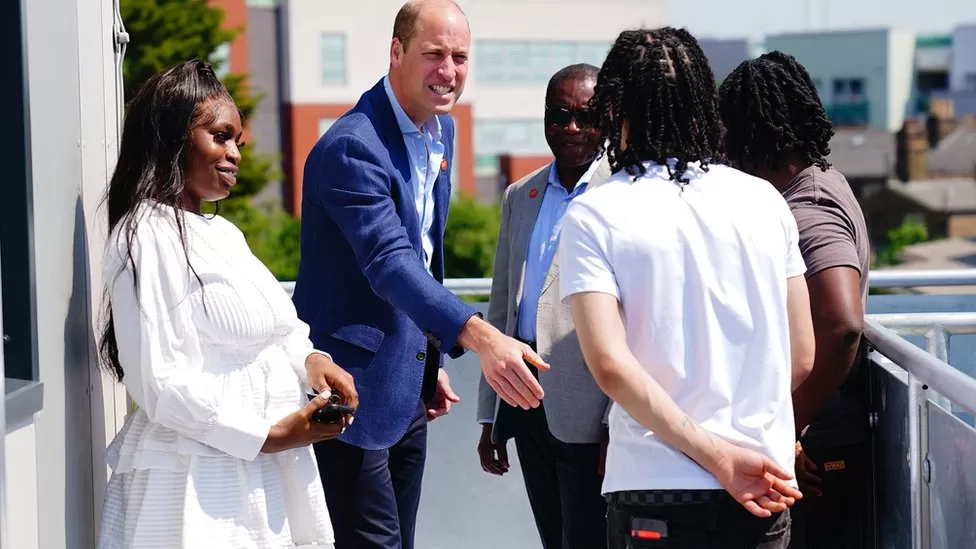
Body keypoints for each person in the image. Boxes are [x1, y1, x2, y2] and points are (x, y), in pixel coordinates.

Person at [291, 1, 549, 547]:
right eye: (434, 54)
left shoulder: (441, 133)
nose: (448, 71)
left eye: (459, 57)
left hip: (407, 385)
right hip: (348, 390)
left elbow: (425, 253)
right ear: (396, 51)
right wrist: (479, 337)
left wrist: (426, 355)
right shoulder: (351, 148)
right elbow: (389, 262)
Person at [558, 27, 816, 548]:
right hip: (763, 482)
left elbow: (608, 364)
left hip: (655, 483)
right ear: (704, 103)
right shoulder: (765, 201)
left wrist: (715, 455)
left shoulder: (593, 213)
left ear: (612, 110)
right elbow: (803, 353)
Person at [96, 59, 357, 549]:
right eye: (220, 136)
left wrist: (313, 362)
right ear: (172, 137)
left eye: (237, 139)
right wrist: (270, 436)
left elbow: (281, 327)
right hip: (196, 484)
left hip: (263, 473)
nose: (234, 152)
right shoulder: (145, 236)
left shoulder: (224, 234)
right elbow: (160, 382)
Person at [719, 51, 873, 549]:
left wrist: (788, 426)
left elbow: (842, 325)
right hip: (813, 426)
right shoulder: (821, 185)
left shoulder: (807, 208)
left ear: (752, 134)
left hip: (814, 437)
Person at [477, 63, 611, 549]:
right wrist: (490, 417)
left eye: (585, 116)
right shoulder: (521, 194)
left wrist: (619, 421)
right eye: (559, 115)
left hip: (593, 405)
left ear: (608, 118)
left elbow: (639, 321)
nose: (571, 128)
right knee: (551, 538)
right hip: (524, 392)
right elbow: (500, 308)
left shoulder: (624, 194)